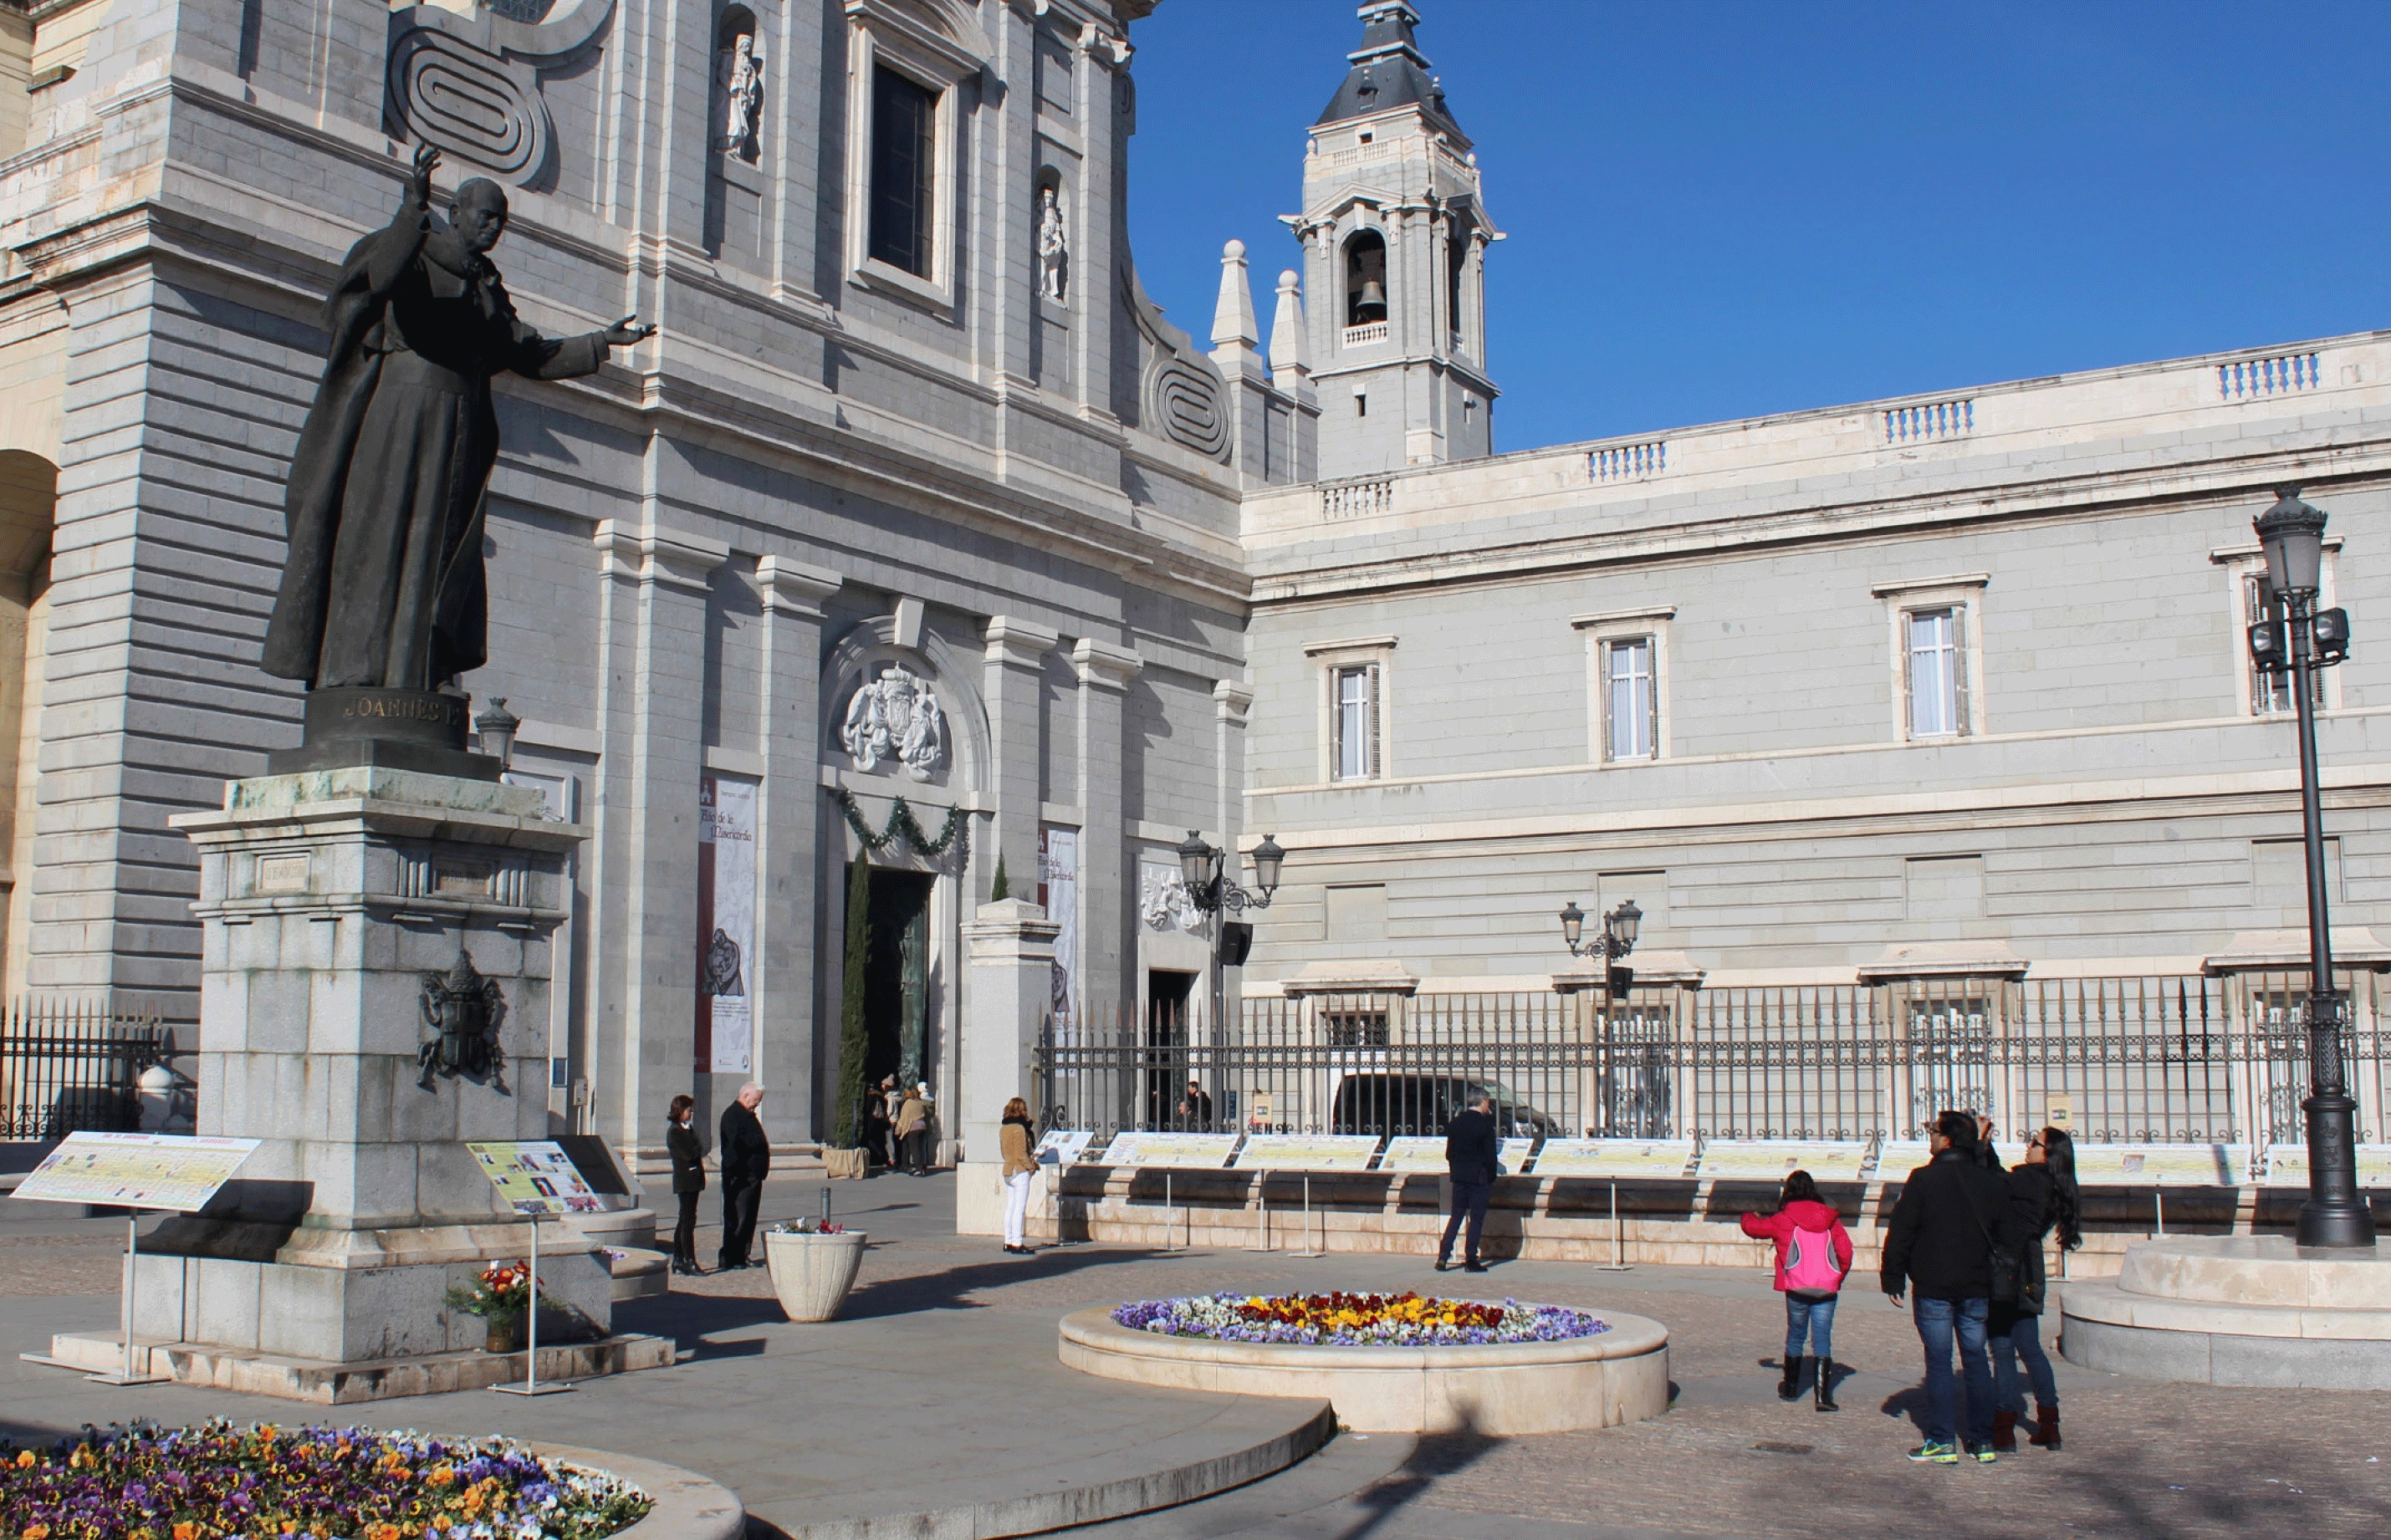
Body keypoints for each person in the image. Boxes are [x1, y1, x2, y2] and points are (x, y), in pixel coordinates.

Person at [1881, 1108, 2028, 1465]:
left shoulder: (1923, 1179)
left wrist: (1893, 1276)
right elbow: (2010, 1234)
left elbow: (1902, 1231)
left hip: (1934, 1284)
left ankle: (1943, 1440)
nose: (1930, 1136)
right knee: (1976, 1361)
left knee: (1939, 1362)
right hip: (1976, 1284)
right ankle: (1982, 1441)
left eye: (1934, 1131)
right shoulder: (1989, 1181)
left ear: (1946, 1140)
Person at [1991, 1125, 2081, 1452]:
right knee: (2030, 1348)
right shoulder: (2055, 1184)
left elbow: (1995, 1183)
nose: (2028, 1147)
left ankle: (2004, 1428)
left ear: (2048, 1153)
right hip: (2030, 1269)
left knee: (2003, 1349)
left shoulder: (2028, 1179)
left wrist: (1982, 1145)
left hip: (2007, 1269)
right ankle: (2050, 1424)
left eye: (2035, 1143)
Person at [1740, 1169, 1854, 1411]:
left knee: (1796, 1335)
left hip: (1796, 1287)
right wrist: (1836, 1277)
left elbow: (1754, 1228)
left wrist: (1748, 1215)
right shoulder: (1830, 1218)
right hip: (1826, 1289)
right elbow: (1845, 1251)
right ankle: (1823, 1397)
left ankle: (1791, 1389)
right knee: (1822, 1338)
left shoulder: (1784, 1219)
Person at [1437, 1093, 1497, 1273]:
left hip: (1459, 1176)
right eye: (1487, 1102)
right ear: (1483, 1101)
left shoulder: (1456, 1123)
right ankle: (1471, 1258)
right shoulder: (1485, 1124)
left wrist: (1456, 1170)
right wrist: (1491, 1176)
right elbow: (1490, 1155)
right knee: (1476, 1219)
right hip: (1479, 1176)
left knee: (1456, 1216)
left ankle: (1443, 1255)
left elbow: (1449, 1154)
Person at [717, 1081, 769, 1270]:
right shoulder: (733, 1115)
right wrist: (735, 1175)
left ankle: (742, 1254)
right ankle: (732, 1256)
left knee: (748, 1218)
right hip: (741, 1177)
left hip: (752, 1176)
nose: (757, 1104)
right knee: (738, 1218)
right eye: (756, 1100)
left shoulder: (747, 1115)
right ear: (745, 1095)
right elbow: (732, 1148)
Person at [665, 1094, 706, 1276]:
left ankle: (678, 1258)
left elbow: (700, 1148)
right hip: (685, 1180)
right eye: (689, 1110)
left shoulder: (688, 1129)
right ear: (680, 1111)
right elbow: (690, 1154)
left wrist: (695, 1147)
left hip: (694, 1179)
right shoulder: (675, 1131)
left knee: (686, 1218)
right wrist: (695, 1149)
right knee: (687, 1220)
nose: (691, 1113)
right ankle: (688, 1259)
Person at [999, 1096, 1040, 1255]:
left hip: (1008, 1169)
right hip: (1019, 1170)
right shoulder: (1020, 1129)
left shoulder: (1004, 1128)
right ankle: (1017, 1242)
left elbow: (1004, 1152)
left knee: (1010, 1207)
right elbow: (1022, 1154)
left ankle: (1008, 1241)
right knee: (1019, 1208)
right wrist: (1031, 1167)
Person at [895, 1082, 932, 1175]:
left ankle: (919, 1169)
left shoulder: (908, 1104)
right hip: (922, 1126)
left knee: (914, 1149)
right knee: (920, 1147)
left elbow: (904, 1118)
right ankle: (921, 1167)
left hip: (913, 1128)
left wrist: (898, 1129)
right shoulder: (919, 1103)